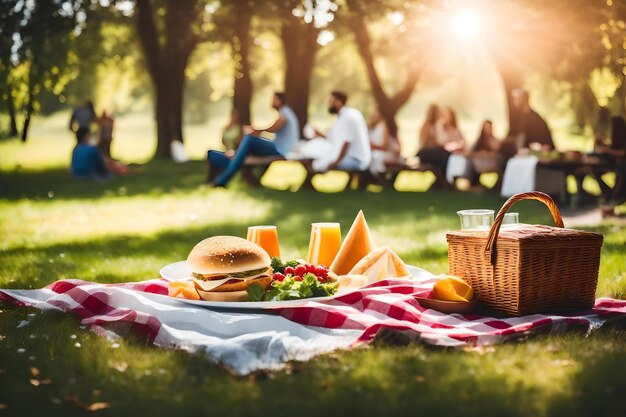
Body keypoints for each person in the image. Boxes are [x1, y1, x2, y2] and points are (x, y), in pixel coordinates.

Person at [207, 92, 299, 187]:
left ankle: (223, 178)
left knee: (250, 139)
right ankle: (229, 164)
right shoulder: (285, 112)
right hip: (280, 147)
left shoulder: (285, 112)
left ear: (279, 101)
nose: (271, 102)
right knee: (248, 146)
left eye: (274, 100)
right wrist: (258, 131)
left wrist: (257, 130)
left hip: (283, 150)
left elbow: (275, 127)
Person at [310, 91, 371, 172]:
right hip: (352, 157)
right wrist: (320, 134)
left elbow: (346, 143)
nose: (328, 104)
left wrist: (336, 162)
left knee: (320, 164)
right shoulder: (343, 117)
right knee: (318, 160)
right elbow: (332, 139)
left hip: (357, 160)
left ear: (338, 102)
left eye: (330, 101)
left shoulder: (348, 116)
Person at [417, 106, 466, 188]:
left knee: (449, 158)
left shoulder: (448, 128)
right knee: (445, 157)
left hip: (442, 152)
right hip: (432, 152)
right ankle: (446, 181)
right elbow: (434, 142)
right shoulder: (434, 127)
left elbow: (460, 142)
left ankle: (446, 181)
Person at [501, 88, 555, 159]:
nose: (514, 102)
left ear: (523, 99)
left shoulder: (534, 119)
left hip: (538, 154)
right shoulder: (521, 117)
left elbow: (539, 142)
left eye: (517, 99)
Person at [368, 108, 402, 174]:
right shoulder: (372, 127)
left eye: (375, 114)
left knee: (373, 157)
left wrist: (372, 146)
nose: (373, 116)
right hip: (379, 154)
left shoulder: (383, 126)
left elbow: (385, 146)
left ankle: (376, 177)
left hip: (386, 155)